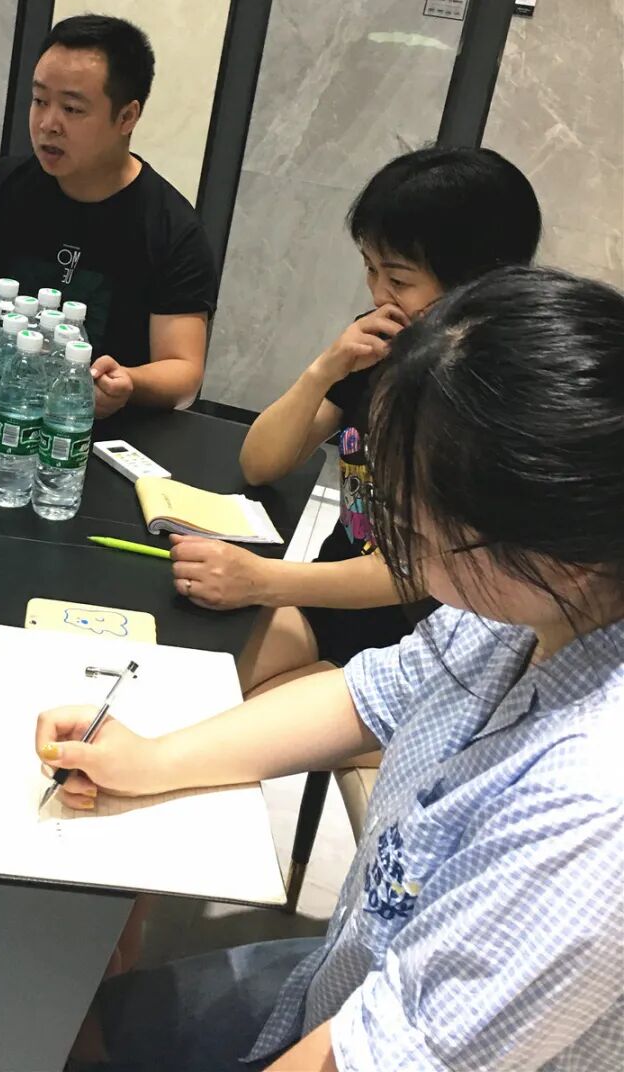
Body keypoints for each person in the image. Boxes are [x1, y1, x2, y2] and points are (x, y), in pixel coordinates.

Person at [38, 266, 624, 1071]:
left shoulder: (591, 811)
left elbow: (389, 1051)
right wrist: (152, 759)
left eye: (417, 529)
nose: (398, 542)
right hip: (346, 974)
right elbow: (363, 697)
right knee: (69, 1022)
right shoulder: (525, 610)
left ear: (562, 548)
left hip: (391, 1030)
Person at [168, 147, 542, 694]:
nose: (377, 294)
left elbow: (420, 569)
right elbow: (260, 463)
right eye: (370, 269)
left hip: (420, 646)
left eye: (398, 279)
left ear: (475, 283)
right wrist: (326, 367)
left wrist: (264, 580)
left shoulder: (489, 396)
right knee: (191, 687)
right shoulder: (383, 342)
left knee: (231, 719)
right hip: (332, 595)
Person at [0, 14, 218, 417]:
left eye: (72, 108)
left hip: (93, 431)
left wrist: (129, 382)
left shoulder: (171, 228)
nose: (48, 124)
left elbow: (183, 369)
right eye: (40, 100)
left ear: (126, 117)